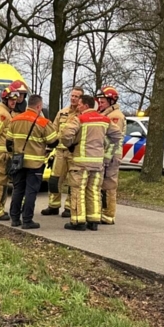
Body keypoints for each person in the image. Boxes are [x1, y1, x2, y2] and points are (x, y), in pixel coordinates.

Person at [59, 94, 120, 231]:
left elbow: (65, 135)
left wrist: (70, 145)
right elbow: (117, 136)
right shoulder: (105, 120)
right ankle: (93, 220)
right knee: (94, 191)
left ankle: (78, 221)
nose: (78, 107)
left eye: (80, 104)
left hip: (80, 162)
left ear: (86, 105)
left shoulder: (79, 119)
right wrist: (106, 153)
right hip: (98, 163)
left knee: (78, 190)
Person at [6, 94, 57, 229]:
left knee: (18, 190)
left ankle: (15, 218)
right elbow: (54, 141)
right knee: (31, 192)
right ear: (39, 106)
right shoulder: (43, 122)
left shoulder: (15, 119)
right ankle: (27, 220)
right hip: (35, 164)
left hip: (18, 162)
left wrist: (15, 153)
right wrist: (45, 149)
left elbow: (8, 142)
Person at [0, 80, 27, 221]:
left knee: (1, 183)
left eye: (16, 100)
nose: (14, 102)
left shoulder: (0, 110)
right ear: (5, 99)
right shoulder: (3, 114)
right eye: (11, 100)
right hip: (0, 155)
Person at [41, 86, 83, 217]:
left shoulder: (82, 115)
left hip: (74, 152)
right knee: (55, 179)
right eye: (72, 96)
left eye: (76, 96)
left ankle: (69, 208)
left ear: (81, 99)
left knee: (72, 181)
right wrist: (49, 146)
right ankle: (53, 205)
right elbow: (54, 129)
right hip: (59, 151)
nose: (73, 98)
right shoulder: (62, 112)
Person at [97, 86, 126, 224]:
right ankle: (104, 212)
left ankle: (108, 215)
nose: (100, 103)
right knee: (103, 184)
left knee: (109, 185)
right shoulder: (106, 115)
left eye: (102, 101)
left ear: (111, 100)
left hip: (112, 156)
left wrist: (107, 157)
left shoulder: (115, 117)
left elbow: (114, 139)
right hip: (106, 154)